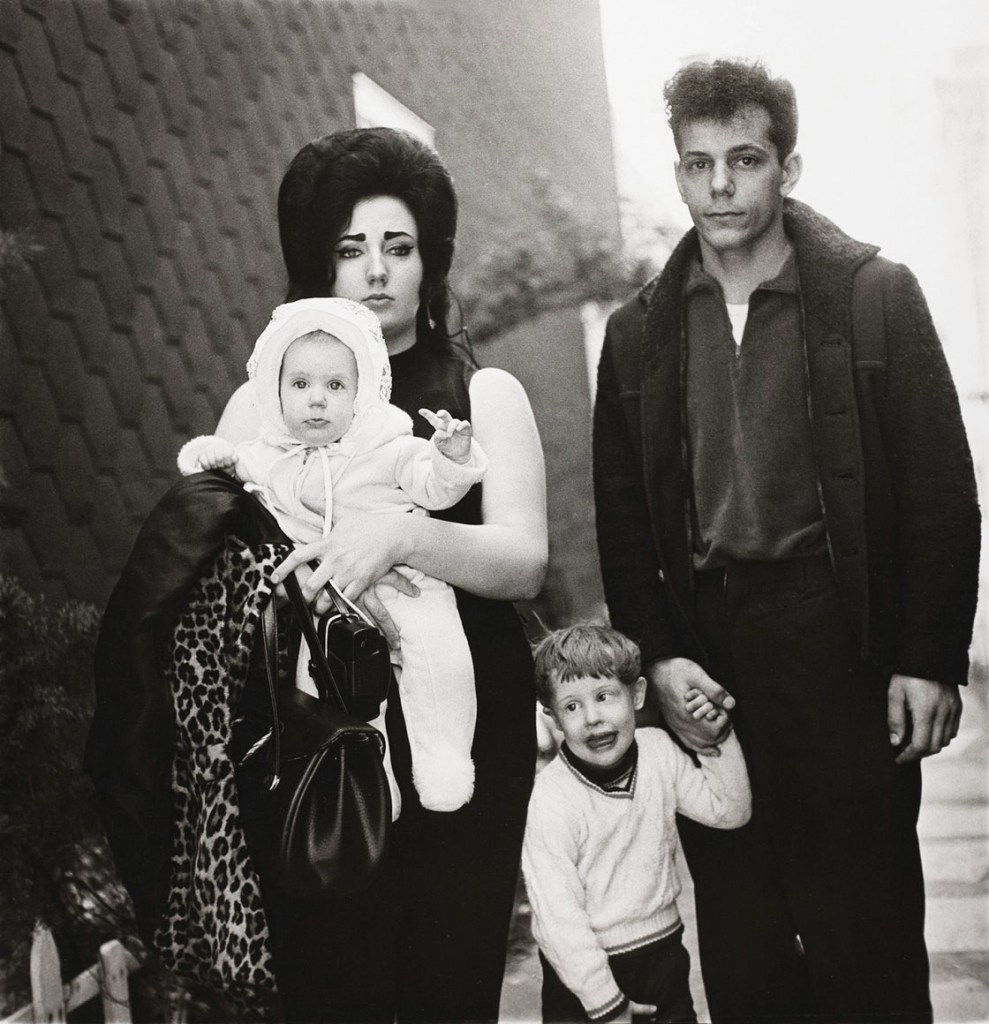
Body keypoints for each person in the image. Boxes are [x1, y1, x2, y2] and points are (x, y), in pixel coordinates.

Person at [592, 59, 980, 1023]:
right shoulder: (638, 335)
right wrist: (663, 656)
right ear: (677, 174)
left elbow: (940, 491)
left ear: (787, 167)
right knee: (742, 938)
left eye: (745, 158)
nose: (719, 185)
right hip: (712, 656)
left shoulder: (871, 296)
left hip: (839, 641)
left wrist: (927, 658)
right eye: (697, 165)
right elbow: (623, 518)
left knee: (868, 935)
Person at [214, 127, 547, 1022]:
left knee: (452, 982)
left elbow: (522, 560)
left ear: (428, 260)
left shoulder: (486, 394)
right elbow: (227, 571)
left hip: (466, 731)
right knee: (333, 984)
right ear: (319, 261)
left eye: (396, 247)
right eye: (350, 248)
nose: (374, 270)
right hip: (314, 733)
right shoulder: (264, 400)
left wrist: (401, 536)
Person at [178, 296, 488, 813]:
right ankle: (368, 785)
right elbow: (220, 487)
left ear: (360, 394)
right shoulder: (267, 456)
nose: (317, 400)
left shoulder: (387, 444)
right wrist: (207, 457)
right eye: (300, 385)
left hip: (406, 582)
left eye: (335, 386)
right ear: (275, 393)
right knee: (328, 693)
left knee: (441, 659)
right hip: (321, 606)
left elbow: (434, 487)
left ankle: (445, 759)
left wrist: (451, 457)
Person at [521, 625, 750, 1024]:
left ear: (638, 694)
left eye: (605, 696)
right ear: (553, 718)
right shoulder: (550, 798)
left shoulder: (658, 752)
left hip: (664, 955)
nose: (592, 718)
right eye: (572, 707)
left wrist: (718, 738)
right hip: (585, 978)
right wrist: (606, 1004)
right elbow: (557, 920)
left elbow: (729, 810)